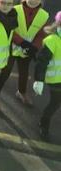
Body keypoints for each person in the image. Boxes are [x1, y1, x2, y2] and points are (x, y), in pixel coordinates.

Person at [0, 0, 48, 106]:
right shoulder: (14, 10)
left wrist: (35, 47)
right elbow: (9, 29)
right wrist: (22, 42)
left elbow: (41, 34)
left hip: (27, 50)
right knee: (5, 72)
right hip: (12, 47)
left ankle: (21, 92)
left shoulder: (44, 15)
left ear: (41, 0)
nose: (34, 0)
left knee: (24, 73)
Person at [33, 11, 61, 141]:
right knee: (55, 103)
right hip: (56, 80)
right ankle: (44, 124)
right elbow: (41, 62)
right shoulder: (52, 41)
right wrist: (38, 80)